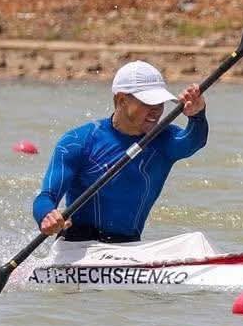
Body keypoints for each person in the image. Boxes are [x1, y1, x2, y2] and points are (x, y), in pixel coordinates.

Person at [34, 61, 208, 243]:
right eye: (149, 102)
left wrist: (198, 115)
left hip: (127, 247)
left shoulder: (164, 139)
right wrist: (47, 216)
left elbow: (194, 141)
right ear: (122, 100)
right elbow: (46, 196)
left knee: (195, 240)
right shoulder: (78, 141)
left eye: (160, 102)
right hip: (76, 245)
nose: (157, 110)